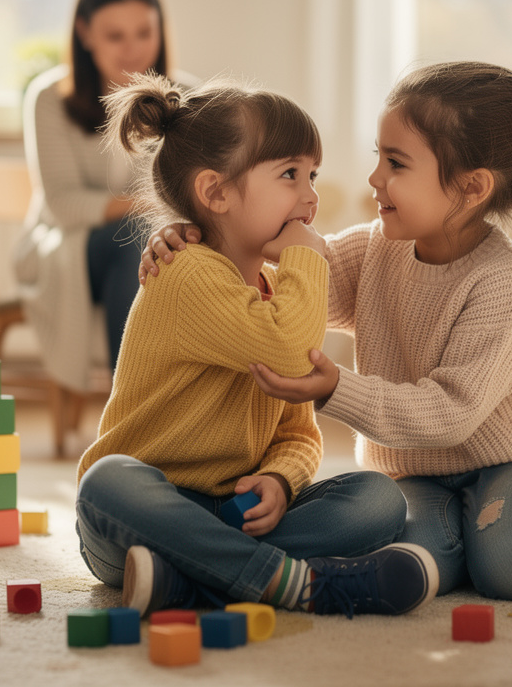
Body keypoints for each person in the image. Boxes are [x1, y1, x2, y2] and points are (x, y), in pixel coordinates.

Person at [143, 61, 512, 602]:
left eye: (396, 163)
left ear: (472, 187)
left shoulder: (505, 282)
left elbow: (450, 414)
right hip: (417, 474)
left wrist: (336, 389)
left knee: (511, 567)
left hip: (511, 462)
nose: (374, 178)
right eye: (377, 157)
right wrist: (197, 235)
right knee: (412, 560)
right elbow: (295, 287)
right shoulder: (377, 248)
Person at [76, 74, 436, 621]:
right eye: (290, 175)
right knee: (105, 482)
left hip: (233, 515)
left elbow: (298, 434)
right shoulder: (186, 273)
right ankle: (287, 581)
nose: (311, 196)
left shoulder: (275, 291)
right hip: (144, 518)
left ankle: (189, 578)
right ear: (216, 193)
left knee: (379, 500)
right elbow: (289, 352)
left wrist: (278, 479)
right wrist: (308, 256)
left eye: (311, 175)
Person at [16, 0, 188, 389]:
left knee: (153, 242)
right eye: (115, 36)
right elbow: (65, 205)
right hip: (70, 247)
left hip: (165, 243)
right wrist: (146, 210)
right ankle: (131, 407)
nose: (133, 49)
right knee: (130, 236)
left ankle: (194, 412)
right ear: (85, 33)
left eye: (144, 33)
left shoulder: (189, 96)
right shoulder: (49, 98)